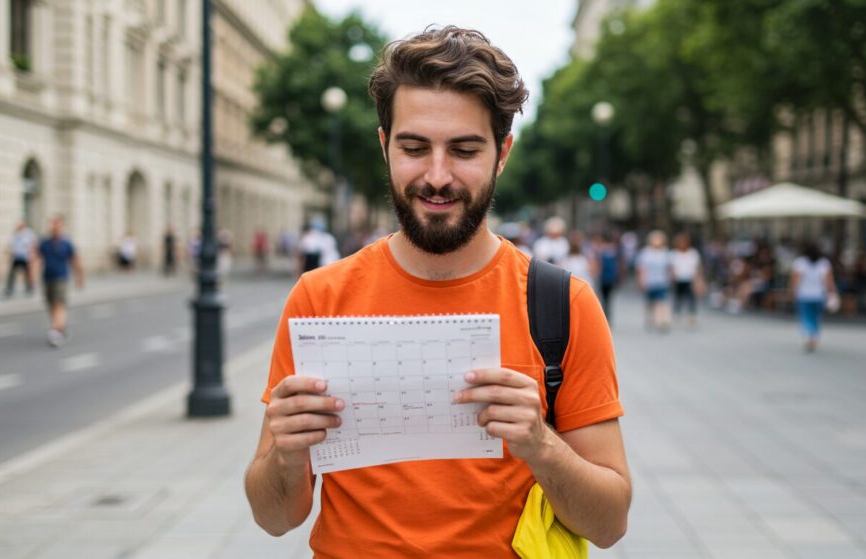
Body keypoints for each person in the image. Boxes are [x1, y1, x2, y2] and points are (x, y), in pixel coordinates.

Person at [245, 26, 631, 557]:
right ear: (385, 147)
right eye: (414, 147)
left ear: (502, 153)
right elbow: (273, 518)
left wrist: (541, 445)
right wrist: (286, 454)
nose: (437, 175)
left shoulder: (561, 303)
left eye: (465, 149)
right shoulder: (320, 298)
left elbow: (609, 523)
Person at [35, 216, 84, 347]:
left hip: (61, 278)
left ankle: (55, 331)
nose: (55, 227)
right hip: (47, 278)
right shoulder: (44, 243)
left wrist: (79, 276)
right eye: (52, 225)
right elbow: (37, 258)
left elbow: (74, 259)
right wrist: (33, 274)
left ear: (61, 227)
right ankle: (60, 327)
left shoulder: (66, 243)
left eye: (57, 225)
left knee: (59, 304)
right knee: (50, 304)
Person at [789, 242, 836, 352]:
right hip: (819, 294)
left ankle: (808, 336)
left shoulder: (800, 262)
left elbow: (796, 280)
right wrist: (831, 293)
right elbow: (828, 281)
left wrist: (792, 291)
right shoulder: (824, 263)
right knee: (815, 317)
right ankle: (814, 337)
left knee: (805, 317)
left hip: (804, 294)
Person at [636, 230, 672, 331]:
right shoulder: (646, 253)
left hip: (662, 282)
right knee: (650, 303)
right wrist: (641, 280)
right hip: (649, 282)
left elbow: (669, 268)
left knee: (661, 302)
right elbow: (641, 268)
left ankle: (662, 321)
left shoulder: (665, 252)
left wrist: (670, 278)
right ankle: (651, 318)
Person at [669, 233, 703, 327]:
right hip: (678, 279)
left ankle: (691, 315)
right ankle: (677, 313)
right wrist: (673, 276)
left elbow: (697, 267)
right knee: (678, 297)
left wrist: (698, 279)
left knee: (691, 297)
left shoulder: (693, 253)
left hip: (690, 278)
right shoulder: (674, 253)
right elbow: (672, 267)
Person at [4, 221, 36, 298]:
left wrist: (32, 255)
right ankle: (9, 288)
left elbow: (32, 244)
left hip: (26, 257)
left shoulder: (29, 233)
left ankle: (30, 287)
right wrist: (10, 253)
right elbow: (12, 245)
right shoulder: (16, 234)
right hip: (17, 256)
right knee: (12, 274)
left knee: (27, 273)